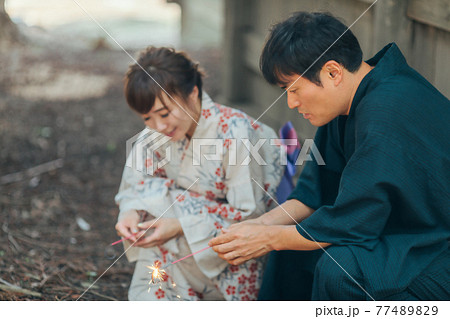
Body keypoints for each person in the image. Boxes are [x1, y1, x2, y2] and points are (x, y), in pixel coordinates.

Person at [209, 12, 450, 300]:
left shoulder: (386, 110)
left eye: (294, 89)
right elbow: (315, 192)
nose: (292, 102)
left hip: (435, 248)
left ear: (333, 72)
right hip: (401, 231)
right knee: (290, 244)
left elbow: (353, 220)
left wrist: (268, 238)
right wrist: (260, 227)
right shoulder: (347, 102)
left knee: (340, 270)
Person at [114, 47, 283, 300]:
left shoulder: (235, 132)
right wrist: (130, 212)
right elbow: (137, 184)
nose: (159, 126)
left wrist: (181, 224)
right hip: (171, 247)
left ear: (193, 93)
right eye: (147, 118)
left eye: (164, 113)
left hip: (229, 253)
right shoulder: (155, 135)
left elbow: (251, 215)